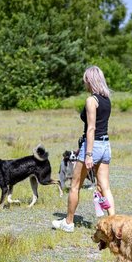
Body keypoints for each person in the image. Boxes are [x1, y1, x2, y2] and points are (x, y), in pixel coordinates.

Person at [52, 66, 115, 232]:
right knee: (105, 187)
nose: (84, 83)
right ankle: (114, 224)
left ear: (90, 81)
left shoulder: (91, 100)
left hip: (93, 146)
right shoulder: (107, 99)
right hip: (105, 145)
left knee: (75, 185)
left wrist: (88, 154)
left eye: (85, 80)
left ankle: (68, 222)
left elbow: (91, 128)